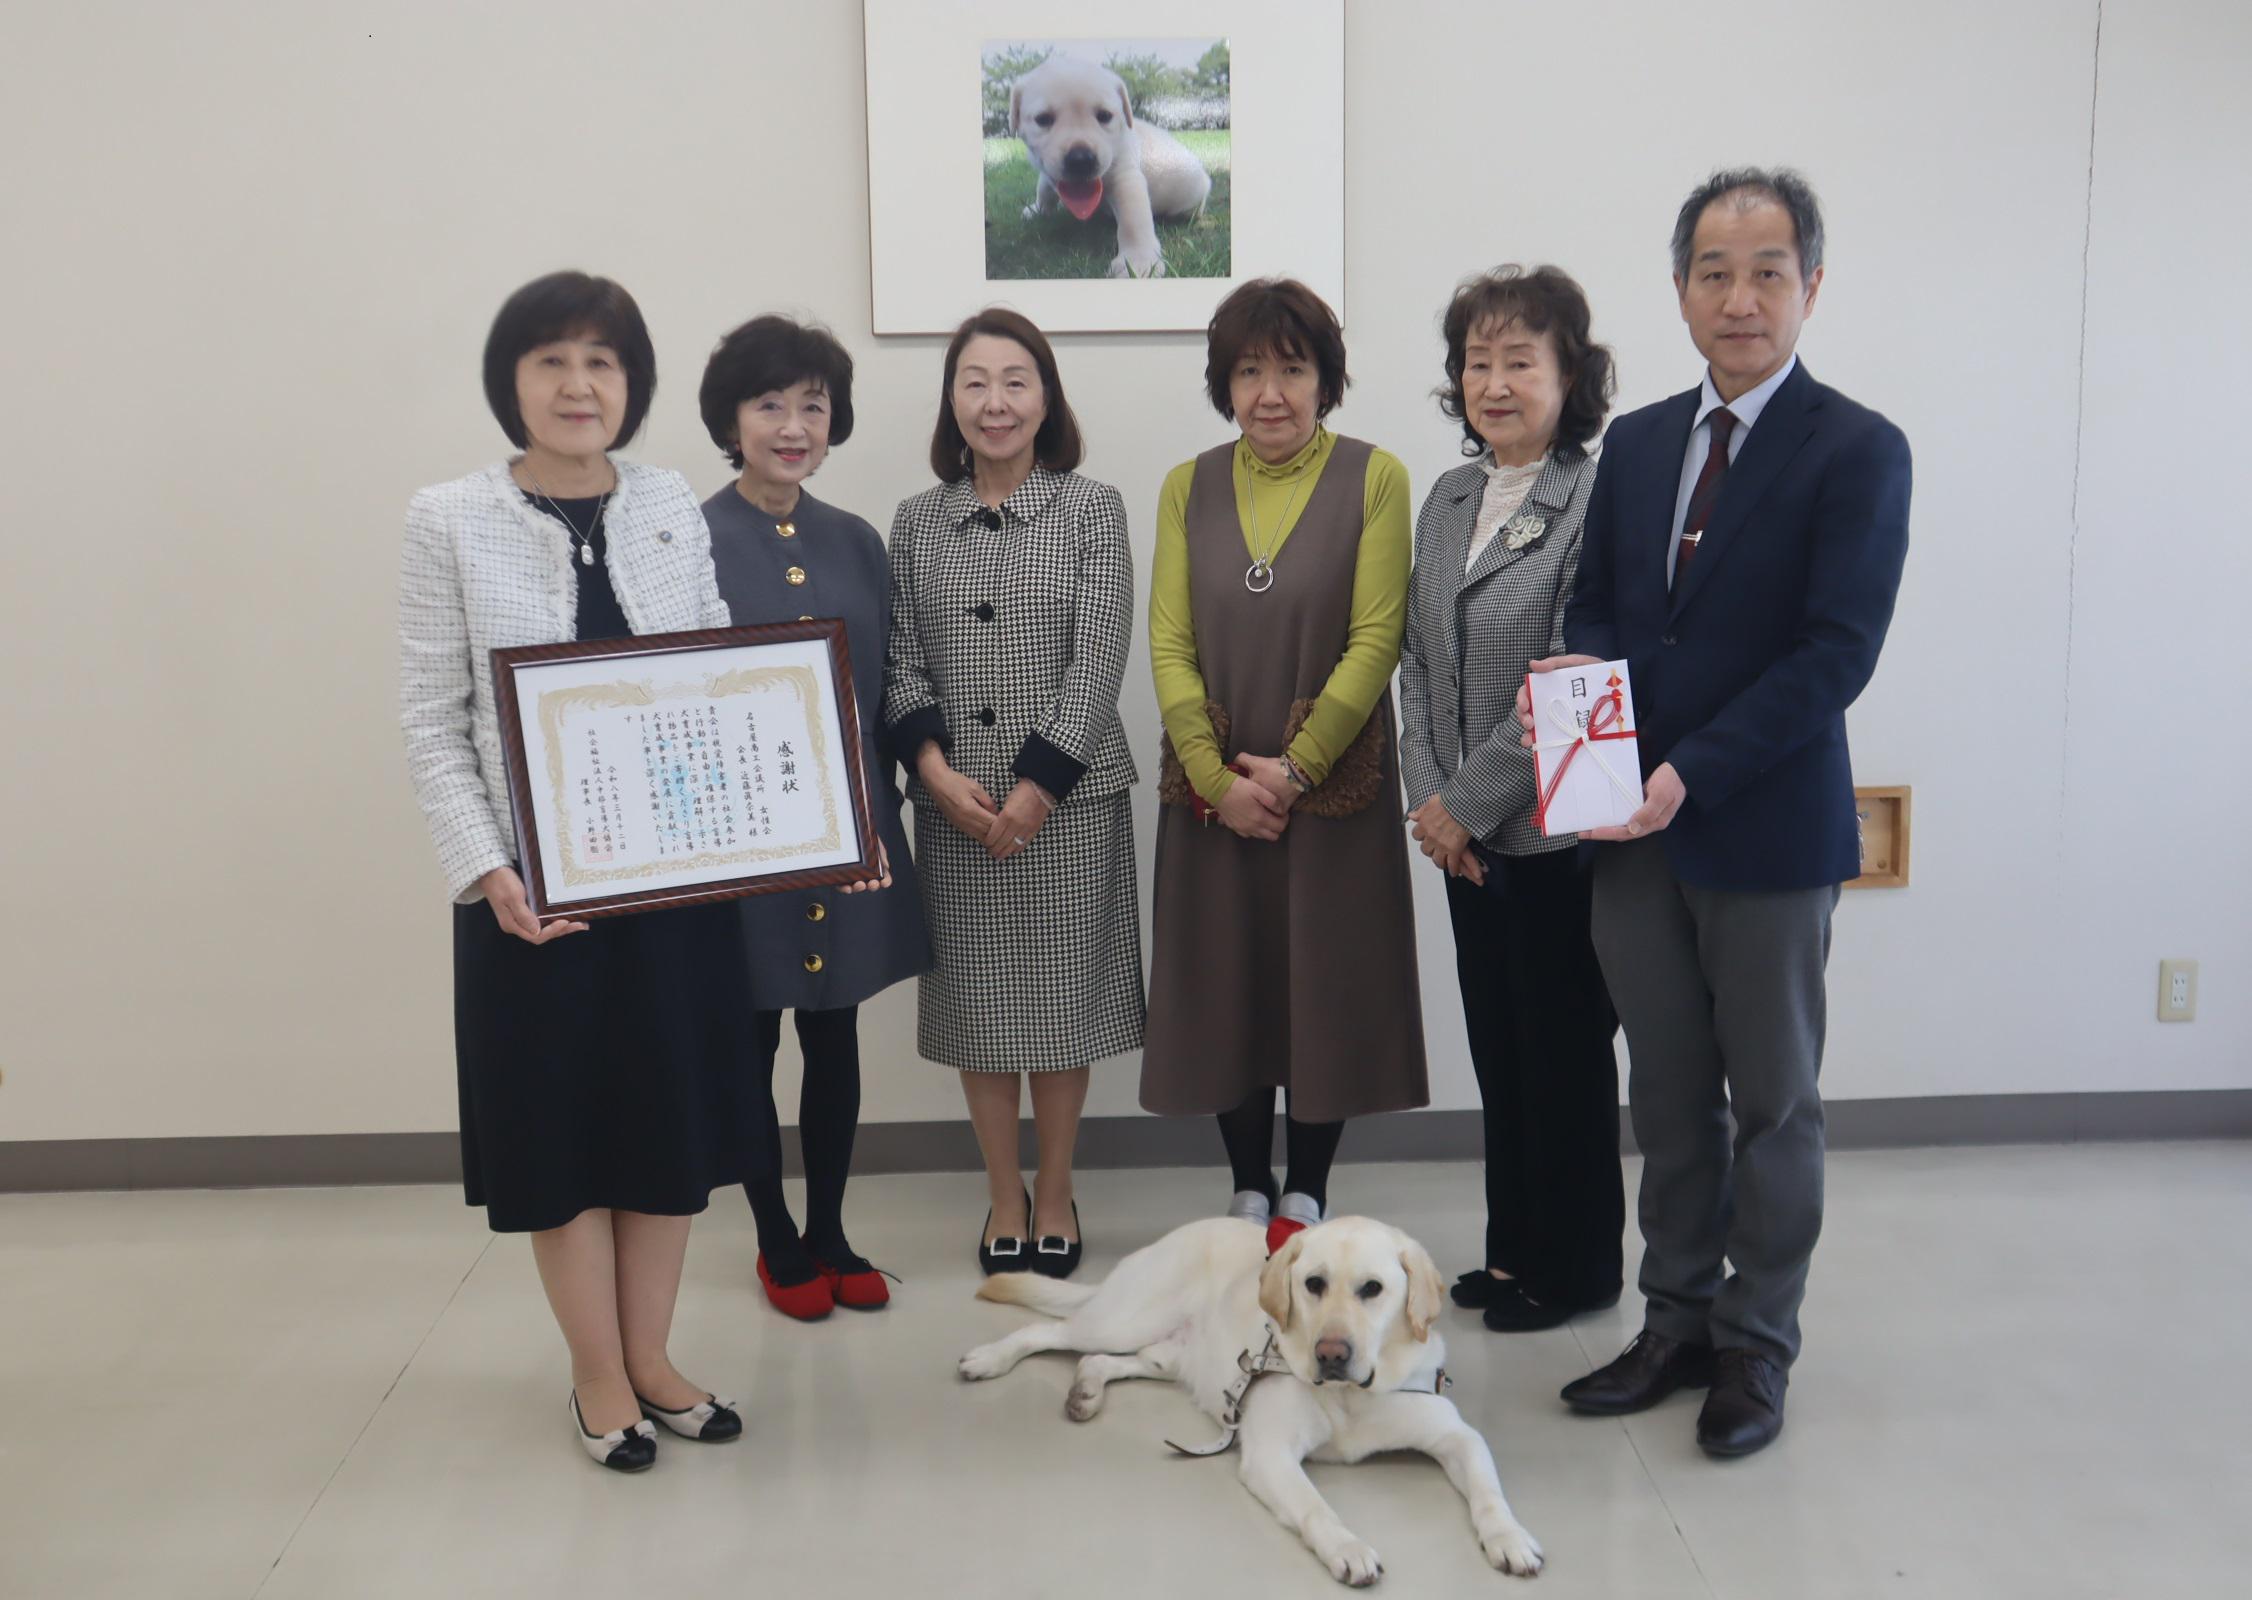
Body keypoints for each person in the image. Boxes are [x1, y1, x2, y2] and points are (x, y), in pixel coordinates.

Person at [1523, 169, 1912, 1456]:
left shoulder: (1855, 448)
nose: (1737, 298)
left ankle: (1755, 1343)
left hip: (1762, 829)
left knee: (1774, 1103)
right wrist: (1584, 727)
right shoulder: (1636, 445)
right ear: (1680, 289)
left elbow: (1833, 654)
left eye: (1765, 271)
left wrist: (1686, 771)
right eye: (1711, 271)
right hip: (1628, 836)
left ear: (1810, 285)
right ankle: (1674, 1317)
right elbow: (1597, 608)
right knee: (1668, 1093)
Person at [398, 271, 757, 1472]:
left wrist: (783, 822)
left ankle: (652, 1358)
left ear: (631, 383)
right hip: (530, 902)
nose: (576, 384)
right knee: (562, 1140)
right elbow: (431, 720)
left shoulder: (666, 501)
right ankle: (597, 1374)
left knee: (665, 1126)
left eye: (601, 361)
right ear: (510, 378)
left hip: (672, 888)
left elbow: (717, 673)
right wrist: (486, 869)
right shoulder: (447, 517)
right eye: (550, 359)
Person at [1141, 277, 1428, 1252]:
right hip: (1215, 787)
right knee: (1226, 978)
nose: (1270, 393)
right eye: (1248, 371)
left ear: (1325, 381)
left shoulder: (1375, 477)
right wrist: (1215, 780)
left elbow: (1376, 638)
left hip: (1329, 784)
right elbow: (1168, 642)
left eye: (1293, 370)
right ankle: (1246, 1183)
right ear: (1223, 384)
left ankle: (1306, 1188)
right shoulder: (1185, 486)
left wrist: (1295, 770)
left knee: (1323, 980)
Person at [882, 308, 1143, 1278]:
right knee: (981, 1016)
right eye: (974, 382)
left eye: (1015, 381)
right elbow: (900, 660)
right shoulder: (916, 521)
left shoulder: (1092, 509)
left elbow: (1100, 655)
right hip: (956, 808)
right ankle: (1003, 1193)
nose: (995, 402)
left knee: (1062, 1010)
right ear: (951, 401)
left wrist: (1039, 785)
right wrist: (933, 774)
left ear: (1046, 398)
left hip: (1068, 807)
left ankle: (1058, 1187)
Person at [1397, 265, 1624, 1333]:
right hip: (1464, 839)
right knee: (1499, 1047)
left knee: (1563, 1056)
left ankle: (1576, 1269)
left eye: (1518, 361)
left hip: (1550, 836)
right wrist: (1430, 805)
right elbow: (1414, 664)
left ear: (1569, 374)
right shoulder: (1448, 498)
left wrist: (1467, 803)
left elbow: (1572, 677)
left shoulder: (1595, 499)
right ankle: (1513, 1248)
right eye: (1476, 361)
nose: (1493, 382)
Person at [697, 315, 932, 1320]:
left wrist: (880, 811)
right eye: (769, 405)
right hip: (739, 840)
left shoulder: (855, 540)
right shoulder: (686, 538)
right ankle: (774, 1238)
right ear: (731, 420)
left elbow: (882, 691)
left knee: (834, 1033)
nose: (793, 426)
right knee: (750, 1040)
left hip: (849, 835)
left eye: (813, 406)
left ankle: (830, 1228)